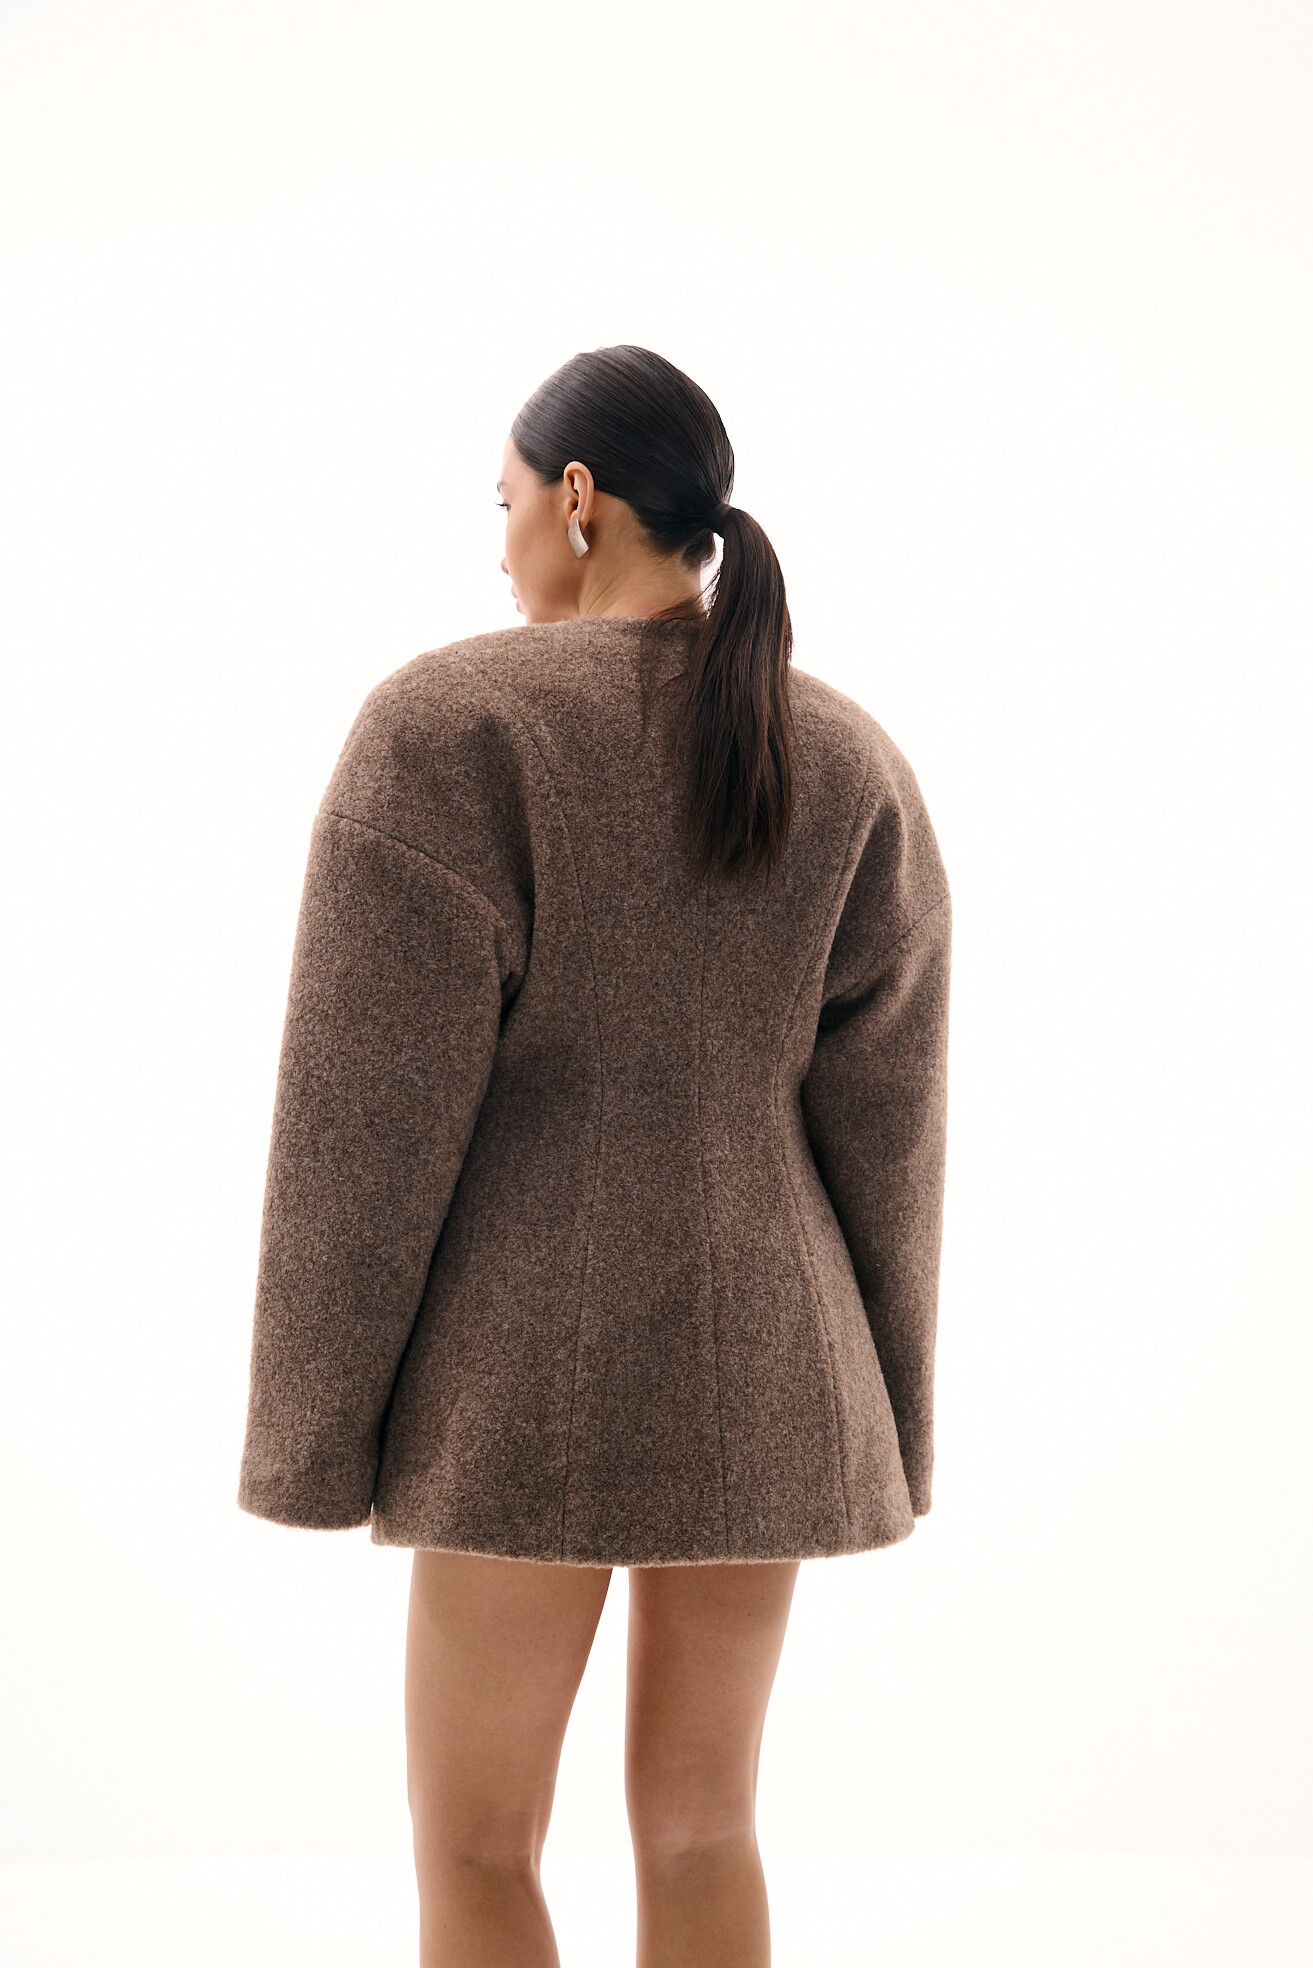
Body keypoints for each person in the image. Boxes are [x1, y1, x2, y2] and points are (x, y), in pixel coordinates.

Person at [237, 344, 953, 1967]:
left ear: (577, 498)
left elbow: (363, 1125)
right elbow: (891, 1127)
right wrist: (885, 1423)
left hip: (514, 1369)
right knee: (704, 1829)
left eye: (499, 504)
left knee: (476, 1846)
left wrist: (310, 1440)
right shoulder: (843, 755)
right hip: (772, 1361)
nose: (496, 548)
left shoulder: (449, 726)